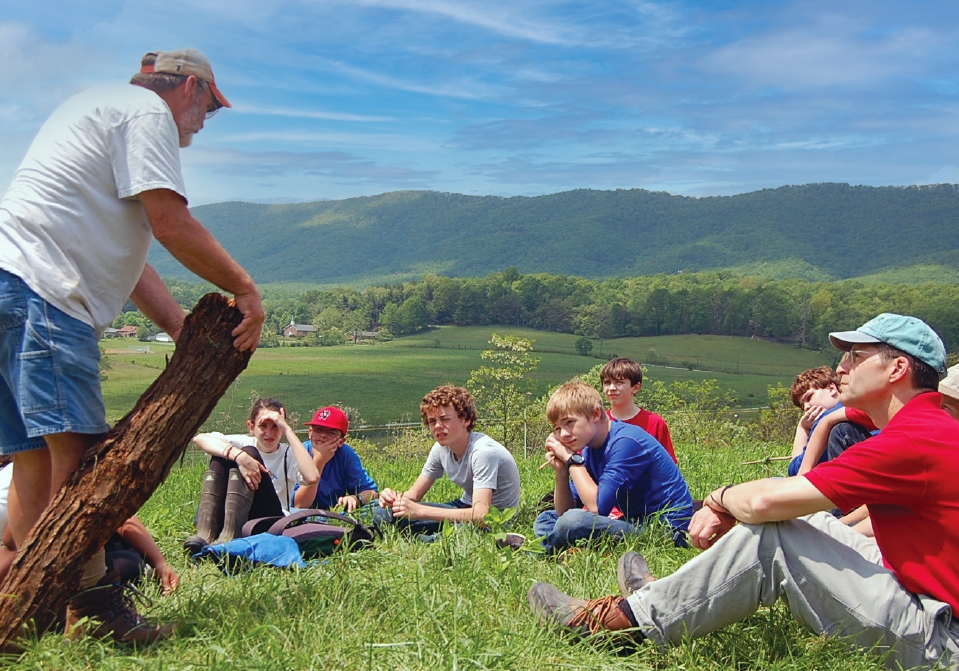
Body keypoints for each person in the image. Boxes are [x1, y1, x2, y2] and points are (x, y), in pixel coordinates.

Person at [0, 47, 264, 644]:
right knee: (84, 463)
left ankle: (22, 615)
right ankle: (94, 614)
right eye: (210, 107)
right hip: (47, 292)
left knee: (33, 457)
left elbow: (136, 262)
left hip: (10, 284)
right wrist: (245, 290)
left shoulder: (100, 109)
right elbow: (170, 224)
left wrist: (183, 332)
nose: (204, 121)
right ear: (189, 89)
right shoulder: (146, 114)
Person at [528, 313, 959, 671]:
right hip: (922, 597)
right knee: (804, 519)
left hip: (942, 637)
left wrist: (718, 499)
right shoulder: (928, 429)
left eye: (856, 356)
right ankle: (675, 593)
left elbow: (765, 501)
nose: (842, 368)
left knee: (774, 531)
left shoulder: (913, 440)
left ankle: (622, 622)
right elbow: (794, 494)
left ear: (897, 369)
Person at [533, 381, 693, 553]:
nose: (563, 434)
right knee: (547, 518)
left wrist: (572, 460)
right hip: (630, 522)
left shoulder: (625, 442)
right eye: (557, 428)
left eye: (570, 422)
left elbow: (597, 508)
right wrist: (561, 472)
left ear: (595, 414)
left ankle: (539, 549)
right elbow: (565, 510)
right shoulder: (590, 448)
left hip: (664, 532)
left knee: (574, 522)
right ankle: (561, 546)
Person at [0, 463, 179, 595]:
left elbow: (122, 518)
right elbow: (13, 545)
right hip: (19, 555)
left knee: (124, 554)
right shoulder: (57, 467)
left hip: (39, 545)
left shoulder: (44, 458)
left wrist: (160, 562)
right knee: (129, 564)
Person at [375, 385, 521, 540]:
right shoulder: (441, 448)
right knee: (383, 514)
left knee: (445, 538)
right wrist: (393, 499)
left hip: (495, 518)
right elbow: (413, 495)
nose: (437, 426)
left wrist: (420, 512)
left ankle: (426, 539)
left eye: (445, 419)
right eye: (432, 421)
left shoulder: (483, 452)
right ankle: (422, 536)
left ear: (466, 420)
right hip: (465, 507)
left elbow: (482, 515)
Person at [185, 398, 319, 553]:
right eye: (263, 426)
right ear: (251, 427)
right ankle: (205, 533)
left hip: (270, 520)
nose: (269, 433)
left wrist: (288, 430)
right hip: (234, 515)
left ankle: (231, 536)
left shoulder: (287, 453)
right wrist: (238, 456)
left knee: (250, 452)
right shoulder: (242, 442)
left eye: (275, 426)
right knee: (222, 455)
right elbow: (200, 439)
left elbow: (312, 477)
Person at [785, 366, 874, 476]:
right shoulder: (865, 403)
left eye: (809, 398)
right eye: (803, 406)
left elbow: (796, 470)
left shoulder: (828, 421)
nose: (807, 407)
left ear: (831, 389)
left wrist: (802, 428)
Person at [292, 406, 379, 512]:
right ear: (310, 433)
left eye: (331, 432)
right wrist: (319, 461)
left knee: (380, 508)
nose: (323, 435)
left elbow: (372, 492)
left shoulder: (346, 455)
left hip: (335, 513)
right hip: (302, 514)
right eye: (318, 430)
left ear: (341, 441)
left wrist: (355, 499)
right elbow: (299, 504)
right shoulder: (298, 453)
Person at [601, 358, 676, 462]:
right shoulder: (596, 423)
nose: (612, 388)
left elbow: (668, 468)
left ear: (635, 387)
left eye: (619, 382)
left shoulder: (655, 423)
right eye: (607, 383)